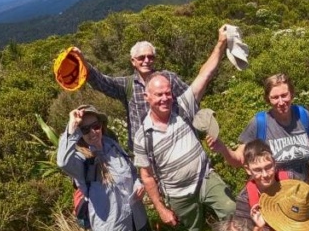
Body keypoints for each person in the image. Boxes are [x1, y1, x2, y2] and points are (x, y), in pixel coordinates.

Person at [70, 26, 230, 151]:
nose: (147, 60)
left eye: (151, 57)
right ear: (133, 61)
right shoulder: (127, 85)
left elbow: (192, 98)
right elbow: (100, 82)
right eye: (141, 58)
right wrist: (83, 63)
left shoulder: (168, 79)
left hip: (174, 145)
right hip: (145, 152)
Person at [133, 73, 236, 231]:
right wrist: (161, 208)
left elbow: (205, 76)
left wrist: (221, 46)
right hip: (178, 193)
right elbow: (147, 176)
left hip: (204, 178)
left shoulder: (182, 109)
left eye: (168, 93)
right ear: (147, 97)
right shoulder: (142, 137)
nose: (165, 98)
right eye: (159, 94)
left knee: (231, 209)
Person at [56, 105, 158, 231]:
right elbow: (62, 162)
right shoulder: (80, 160)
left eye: (95, 126)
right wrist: (72, 126)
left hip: (136, 217)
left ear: (101, 126)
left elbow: (130, 170)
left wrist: (138, 183)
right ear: (79, 133)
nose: (92, 132)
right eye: (85, 129)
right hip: (113, 227)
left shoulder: (111, 144)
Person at [210, 73, 309, 177]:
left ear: (291, 94)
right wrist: (223, 149)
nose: (281, 102)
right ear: (268, 99)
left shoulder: (303, 116)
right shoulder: (260, 123)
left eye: (284, 95)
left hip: (306, 191)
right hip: (275, 194)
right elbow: (239, 160)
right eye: (275, 97)